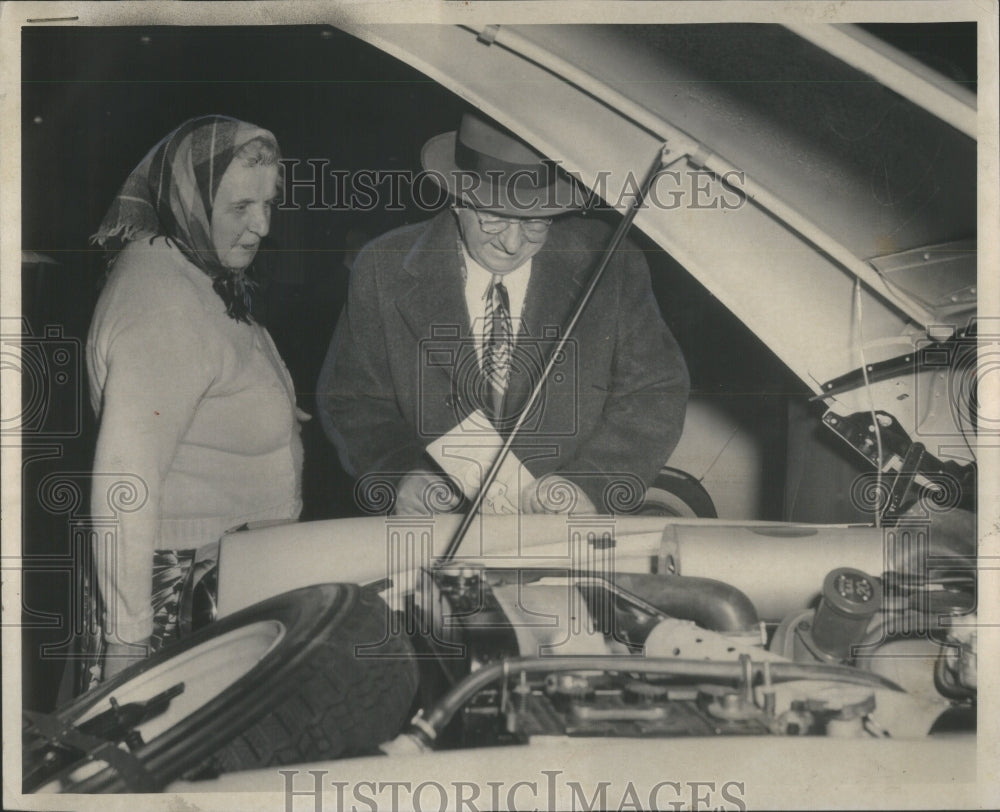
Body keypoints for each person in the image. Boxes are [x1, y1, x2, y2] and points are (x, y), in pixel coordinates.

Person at [318, 113, 689, 516]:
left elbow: (655, 390)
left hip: (557, 536)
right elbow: (352, 398)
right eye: (493, 217)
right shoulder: (383, 268)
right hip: (436, 534)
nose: (513, 244)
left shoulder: (611, 263)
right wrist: (397, 473)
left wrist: (592, 485)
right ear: (457, 199)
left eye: (535, 224)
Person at [87, 115, 304, 681]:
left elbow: (206, 381)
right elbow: (124, 484)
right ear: (189, 197)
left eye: (269, 203)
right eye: (240, 208)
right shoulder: (161, 301)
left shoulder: (193, 267)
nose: (260, 225)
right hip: (177, 601)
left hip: (222, 579)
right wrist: (127, 644)